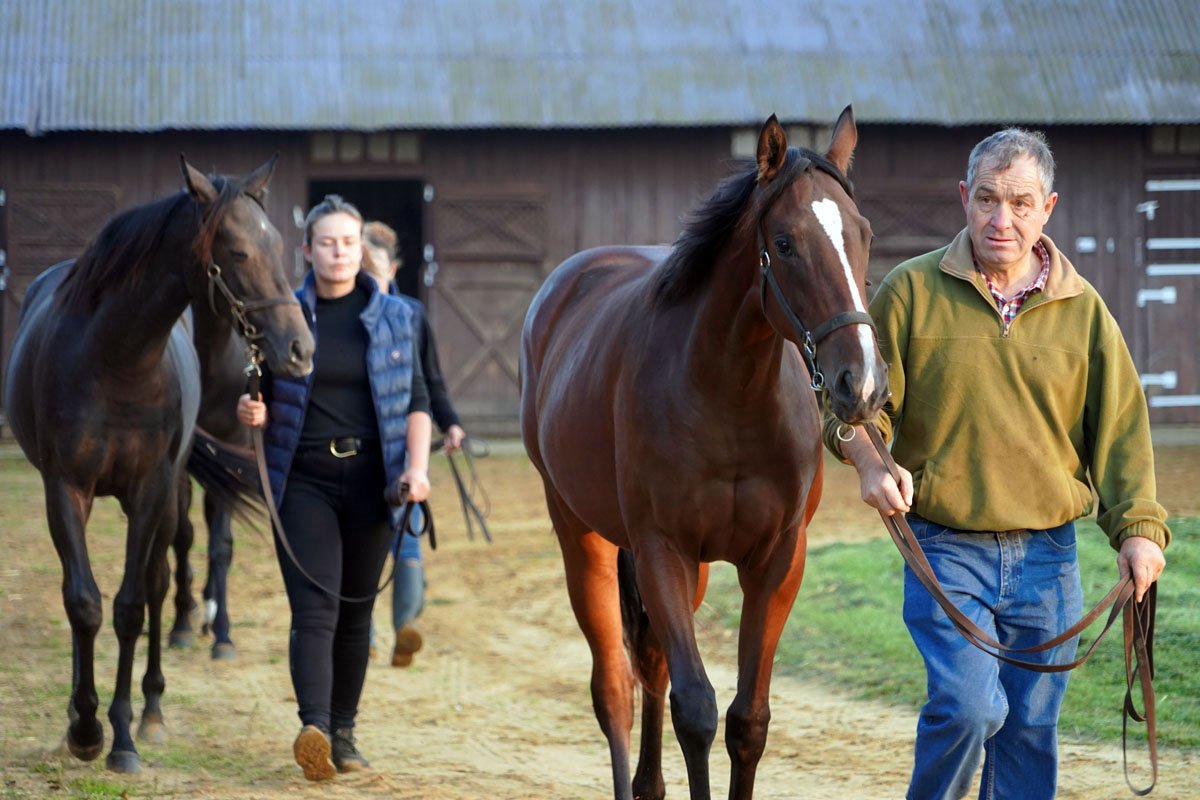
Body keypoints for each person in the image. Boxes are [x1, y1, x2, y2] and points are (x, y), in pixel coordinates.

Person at [821, 128, 1169, 800]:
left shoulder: (1084, 310)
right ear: (964, 197)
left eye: (1019, 202)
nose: (1000, 219)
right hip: (945, 548)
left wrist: (1138, 531)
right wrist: (867, 458)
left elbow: (1122, 431)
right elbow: (854, 405)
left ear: (1047, 208)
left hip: (1049, 557)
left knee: (1030, 729)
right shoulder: (909, 291)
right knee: (970, 709)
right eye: (986, 199)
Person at [236, 195, 432, 781]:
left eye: (348, 242)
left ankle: (344, 733)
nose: (339, 252)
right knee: (314, 608)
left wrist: (417, 469)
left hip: (376, 483)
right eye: (327, 242)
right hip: (303, 481)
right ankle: (314, 728)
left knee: (355, 611)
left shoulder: (396, 316)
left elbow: (417, 401)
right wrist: (251, 411)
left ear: (361, 249)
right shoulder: (283, 315)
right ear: (308, 250)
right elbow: (256, 392)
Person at [360, 219, 466, 667]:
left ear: (393, 269)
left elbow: (428, 382)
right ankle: (363, 633)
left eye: (374, 268)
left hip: (403, 444)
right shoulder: (339, 316)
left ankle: (405, 626)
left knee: (405, 530)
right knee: (360, 538)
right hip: (355, 443)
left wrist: (450, 423)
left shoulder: (410, 316)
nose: (367, 277)